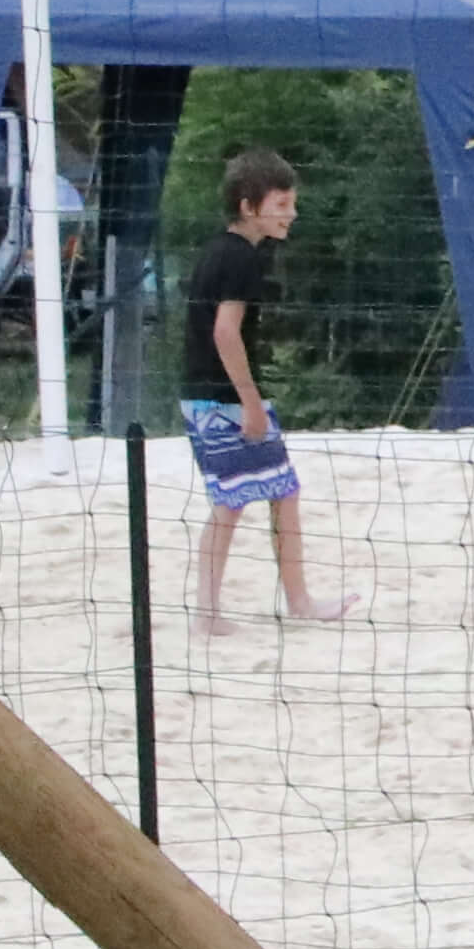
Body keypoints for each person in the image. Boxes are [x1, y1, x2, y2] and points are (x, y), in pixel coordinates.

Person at [184, 151, 344, 635]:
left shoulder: (224, 250)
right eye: (282, 203)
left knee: (275, 493)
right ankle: (216, 612)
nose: (291, 213)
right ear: (250, 206)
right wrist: (251, 404)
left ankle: (287, 601)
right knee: (239, 501)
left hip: (209, 394)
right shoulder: (239, 259)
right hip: (223, 399)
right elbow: (225, 334)